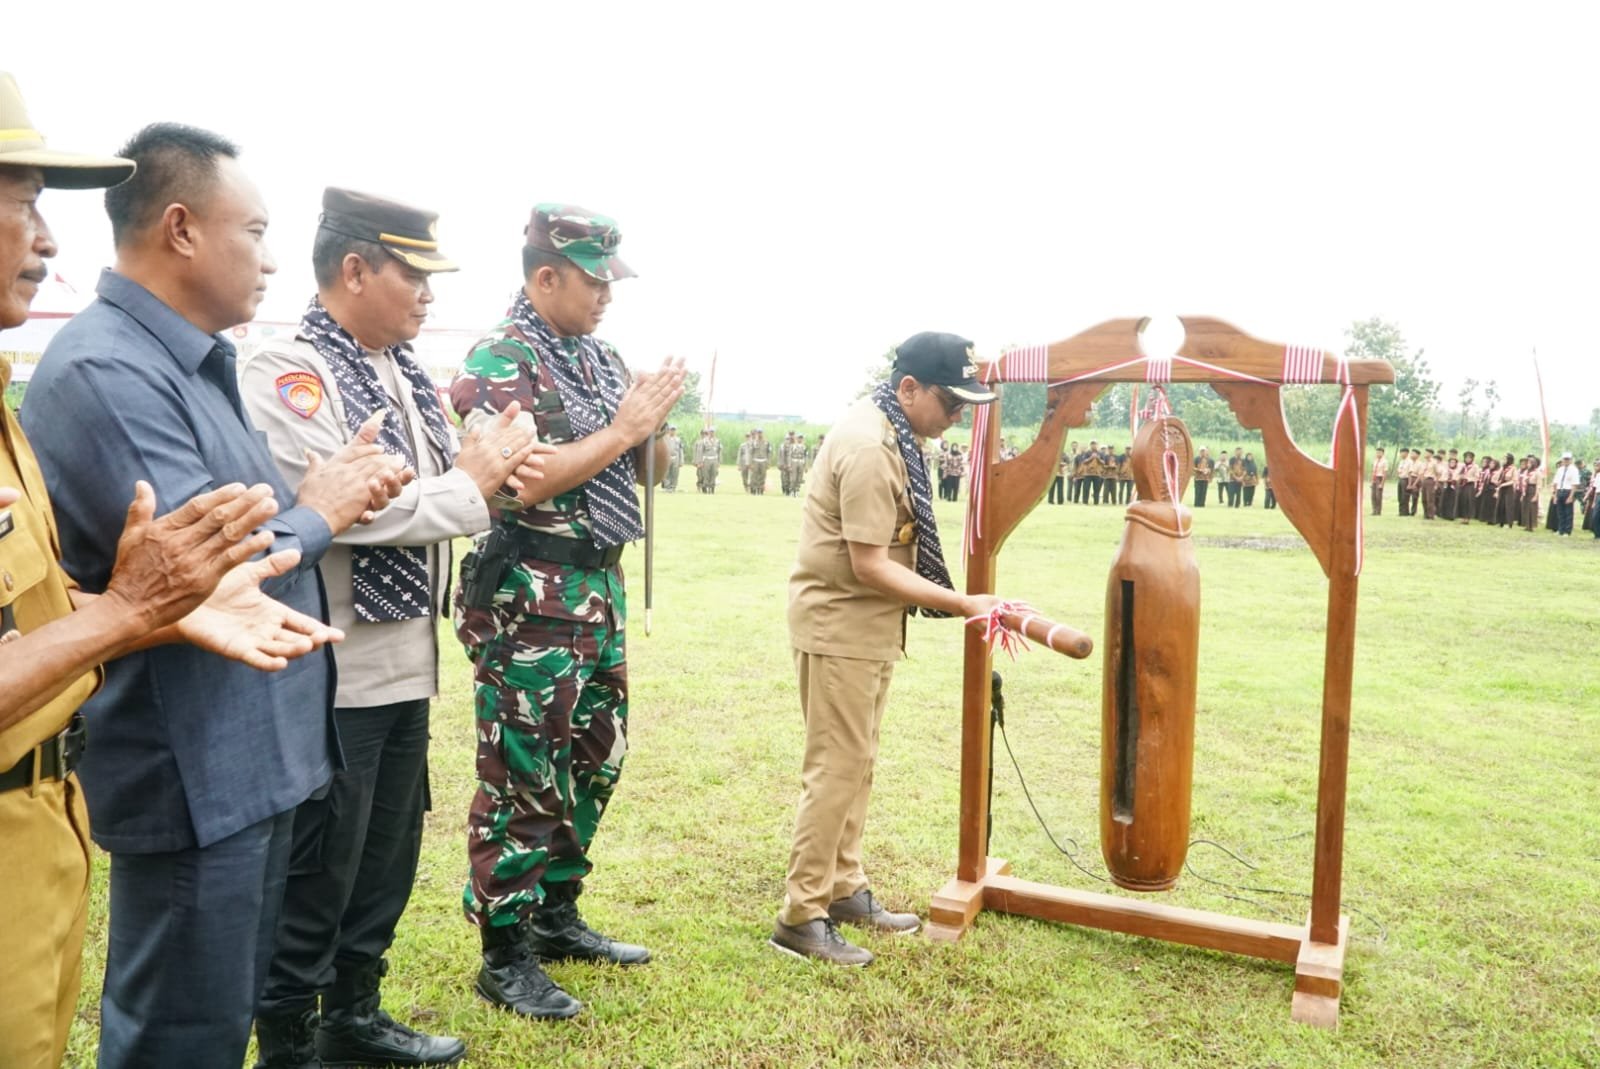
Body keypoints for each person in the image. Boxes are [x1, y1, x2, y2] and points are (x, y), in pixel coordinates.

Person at [22, 123, 408, 1068]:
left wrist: (314, 503)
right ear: (182, 229)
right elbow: (206, 565)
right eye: (256, 232)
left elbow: (238, 525)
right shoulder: (108, 366)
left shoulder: (192, 358)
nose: (271, 260)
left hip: (247, 755)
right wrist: (319, 510)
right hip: (194, 768)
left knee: (220, 1018)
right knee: (179, 1035)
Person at [240, 189, 550, 1067]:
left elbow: (428, 487)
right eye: (413, 274)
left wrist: (488, 470)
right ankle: (290, 1038)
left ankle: (354, 1012)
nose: (427, 293)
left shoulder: (400, 373)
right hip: (335, 668)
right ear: (354, 269)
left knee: (385, 854)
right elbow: (348, 508)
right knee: (321, 866)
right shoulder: (288, 370)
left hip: (404, 658)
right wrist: (471, 485)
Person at [450, 203, 683, 1019]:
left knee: (595, 754)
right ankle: (504, 950)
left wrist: (653, 426)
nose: (607, 294)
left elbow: (646, 465)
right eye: (594, 280)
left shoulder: (599, 358)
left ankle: (555, 912)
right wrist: (623, 428)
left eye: (611, 280)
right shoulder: (501, 360)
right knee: (523, 770)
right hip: (532, 595)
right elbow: (521, 481)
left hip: (595, 587)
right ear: (545, 276)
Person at [772, 332, 1005, 966]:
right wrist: (963, 604)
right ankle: (801, 915)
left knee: (857, 761)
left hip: (867, 626)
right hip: (841, 625)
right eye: (950, 402)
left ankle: (842, 886)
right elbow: (870, 563)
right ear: (908, 389)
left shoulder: (895, 432)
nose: (956, 416)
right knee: (836, 767)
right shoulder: (870, 446)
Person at [1551, 452, 1580, 536]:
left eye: (1568, 459)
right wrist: (1555, 495)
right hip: (1560, 490)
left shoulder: (1574, 470)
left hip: (1568, 491)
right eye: (1565, 459)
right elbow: (1556, 483)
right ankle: (1560, 529)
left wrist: (1571, 496)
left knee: (1568, 512)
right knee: (1560, 512)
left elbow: (1575, 484)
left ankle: (1567, 531)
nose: (1566, 461)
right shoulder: (1560, 469)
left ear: (1571, 460)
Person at [663, 426, 683, 492]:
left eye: (674, 430)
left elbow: (681, 451)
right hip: (667, 458)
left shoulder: (678, 439)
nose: (673, 431)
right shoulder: (665, 439)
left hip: (676, 458)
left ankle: (673, 486)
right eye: (671, 430)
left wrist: (681, 461)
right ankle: (667, 486)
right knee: (666, 473)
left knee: (675, 473)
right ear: (669, 430)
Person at [1369, 447, 1387, 515]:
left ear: (1382, 453)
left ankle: (1378, 511)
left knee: (1378, 496)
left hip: (1380, 478)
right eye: (1377, 452)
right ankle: (1374, 510)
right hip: (1374, 478)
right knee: (1373, 495)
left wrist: (1382, 483)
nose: (1378, 454)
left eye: (1379, 452)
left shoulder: (1384, 461)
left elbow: (1385, 473)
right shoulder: (1375, 460)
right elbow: (1373, 471)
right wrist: (1372, 481)